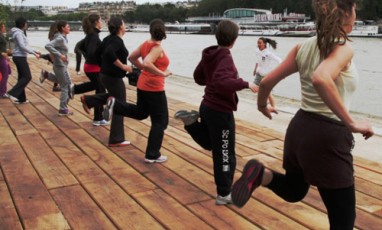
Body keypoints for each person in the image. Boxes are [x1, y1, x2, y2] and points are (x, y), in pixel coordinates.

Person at [231, 1, 374, 229]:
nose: (356, 15)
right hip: (328, 136)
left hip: (300, 128)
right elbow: (320, 78)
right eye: (355, 9)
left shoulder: (302, 47)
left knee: (294, 189)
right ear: (346, 13)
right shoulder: (343, 48)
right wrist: (353, 123)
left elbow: (267, 81)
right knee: (343, 219)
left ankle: (261, 175)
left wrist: (261, 106)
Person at [173, 20, 258, 204]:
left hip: (207, 107)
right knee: (226, 154)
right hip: (220, 112)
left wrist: (212, 80)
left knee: (214, 145)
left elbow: (198, 77)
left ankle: (191, 123)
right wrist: (246, 84)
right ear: (234, 38)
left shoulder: (210, 53)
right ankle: (224, 194)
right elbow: (221, 83)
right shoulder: (226, 57)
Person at [101, 18, 172, 163]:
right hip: (154, 87)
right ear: (164, 32)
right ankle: (152, 154)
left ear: (150, 31)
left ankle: (115, 105)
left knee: (141, 112)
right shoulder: (157, 48)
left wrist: (142, 69)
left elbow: (132, 58)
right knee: (161, 121)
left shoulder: (146, 44)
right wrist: (162, 73)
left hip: (142, 85)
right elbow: (147, 62)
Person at [80, 16, 132, 146]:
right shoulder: (116, 41)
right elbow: (108, 52)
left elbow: (96, 54)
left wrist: (102, 66)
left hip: (104, 75)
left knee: (114, 98)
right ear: (120, 27)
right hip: (113, 77)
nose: (125, 27)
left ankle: (89, 100)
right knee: (120, 104)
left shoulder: (108, 39)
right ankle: (116, 138)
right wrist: (123, 66)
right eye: (124, 24)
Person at [69, 14, 108, 126]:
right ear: (96, 22)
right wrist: (100, 60)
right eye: (101, 20)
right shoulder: (93, 36)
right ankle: (98, 118)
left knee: (97, 87)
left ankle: (75, 89)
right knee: (101, 92)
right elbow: (91, 52)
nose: (102, 22)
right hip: (94, 68)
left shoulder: (90, 35)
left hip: (90, 67)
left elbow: (79, 48)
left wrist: (88, 58)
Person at [41, 21, 73, 116]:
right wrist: (60, 55)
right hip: (60, 65)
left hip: (61, 65)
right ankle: (63, 109)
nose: (69, 28)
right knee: (66, 86)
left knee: (63, 82)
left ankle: (46, 74)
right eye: (68, 26)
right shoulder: (60, 38)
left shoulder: (62, 37)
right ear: (63, 28)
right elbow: (47, 46)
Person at [6, 17, 40, 103]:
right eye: (26, 23)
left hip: (19, 57)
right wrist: (33, 53)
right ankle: (12, 93)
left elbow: (25, 46)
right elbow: (22, 46)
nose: (27, 24)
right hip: (19, 57)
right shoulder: (18, 33)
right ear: (22, 24)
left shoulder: (19, 32)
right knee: (27, 77)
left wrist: (34, 51)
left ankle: (21, 99)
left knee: (22, 77)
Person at [253, 37, 281, 109]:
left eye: (259, 43)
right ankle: (264, 100)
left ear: (264, 44)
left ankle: (273, 107)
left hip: (266, 75)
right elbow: (257, 60)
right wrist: (255, 69)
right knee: (254, 89)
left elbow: (279, 60)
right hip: (259, 73)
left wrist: (280, 71)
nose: (258, 44)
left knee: (268, 94)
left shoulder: (268, 54)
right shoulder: (257, 51)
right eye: (257, 42)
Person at [40, 22, 61, 92]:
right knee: (61, 73)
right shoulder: (57, 36)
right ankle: (46, 75)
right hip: (57, 56)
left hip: (54, 56)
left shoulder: (52, 35)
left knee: (59, 73)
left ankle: (55, 86)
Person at [0, 22, 12, 98]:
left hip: (3, 57)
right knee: (5, 74)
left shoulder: (1, 35)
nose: (5, 28)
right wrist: (2, 53)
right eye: (3, 27)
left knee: (8, 72)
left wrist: (7, 50)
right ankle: (2, 93)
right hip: (1, 58)